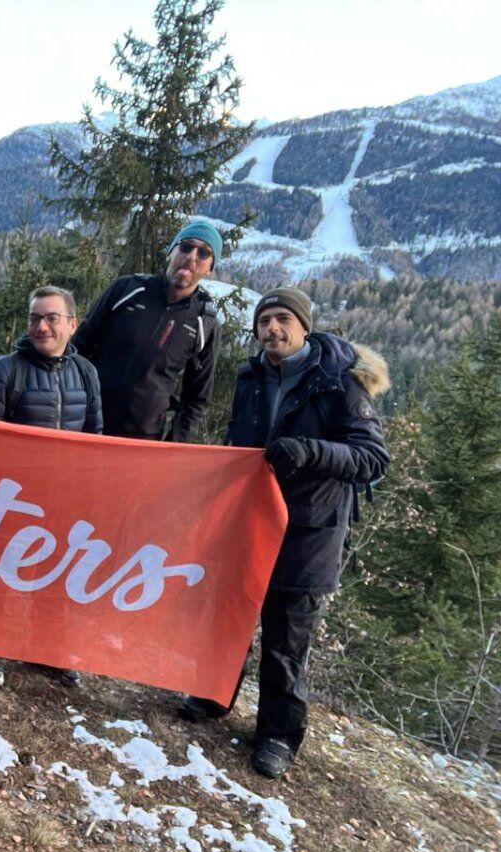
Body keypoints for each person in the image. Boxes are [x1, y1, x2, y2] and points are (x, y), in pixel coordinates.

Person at [177, 287, 389, 779]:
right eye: (264, 321)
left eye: (281, 320)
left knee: (286, 640)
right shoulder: (252, 376)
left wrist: (312, 451)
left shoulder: (340, 382)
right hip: (250, 523)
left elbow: (373, 459)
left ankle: (277, 735)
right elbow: (239, 441)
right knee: (229, 617)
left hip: (308, 532)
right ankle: (214, 694)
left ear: (303, 327)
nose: (272, 329)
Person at [0, 285, 102, 688]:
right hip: (14, 498)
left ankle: (48, 649)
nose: (41, 327)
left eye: (51, 318)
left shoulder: (87, 374)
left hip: (65, 497)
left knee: (56, 576)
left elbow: (95, 437)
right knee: (3, 575)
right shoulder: (3, 371)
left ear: (72, 325)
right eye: (34, 318)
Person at [73, 221, 223, 442]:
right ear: (171, 252)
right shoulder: (127, 289)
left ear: (210, 268)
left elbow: (196, 399)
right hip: (84, 424)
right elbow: (78, 349)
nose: (191, 256)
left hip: (142, 440)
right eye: (185, 247)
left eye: (203, 253)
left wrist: (173, 447)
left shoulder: (205, 323)